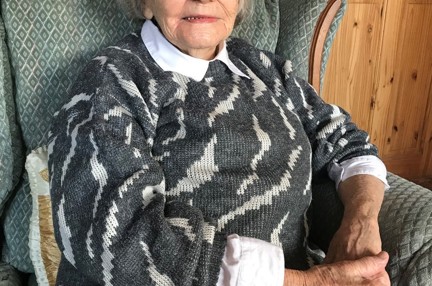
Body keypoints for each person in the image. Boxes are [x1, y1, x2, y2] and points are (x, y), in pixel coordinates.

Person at [48, 0, 391, 285]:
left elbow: (348, 143)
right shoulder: (111, 80)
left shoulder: (264, 68)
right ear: (145, 3)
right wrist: (314, 281)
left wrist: (361, 220)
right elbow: (119, 240)